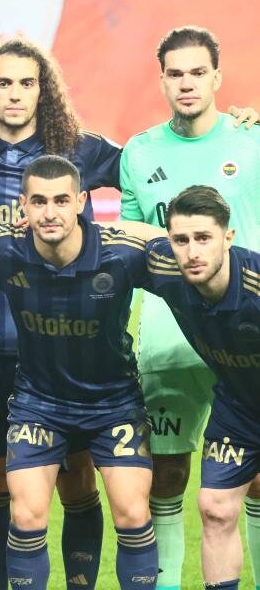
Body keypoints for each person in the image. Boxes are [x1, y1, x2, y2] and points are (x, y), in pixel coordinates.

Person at [0, 38, 121, 589]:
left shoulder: (78, 149)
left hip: (63, 347)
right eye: (3, 83)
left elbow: (150, 165)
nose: (14, 94)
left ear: (42, 89)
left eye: (26, 83)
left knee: (76, 480)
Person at [0, 155, 159, 589]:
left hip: (113, 403)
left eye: (60, 200)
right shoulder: (1, 249)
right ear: (23, 205)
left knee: (133, 512)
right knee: (26, 514)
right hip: (39, 404)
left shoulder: (120, 254)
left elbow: (182, 249)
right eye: (39, 201)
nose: (50, 212)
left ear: (81, 202)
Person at [118, 25, 260, 590]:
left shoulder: (252, 140)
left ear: (218, 77)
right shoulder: (139, 152)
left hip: (248, 332)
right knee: (168, 474)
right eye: (175, 73)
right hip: (169, 337)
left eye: (198, 72)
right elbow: (131, 241)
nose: (186, 83)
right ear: (162, 81)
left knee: (255, 482)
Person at [143, 186, 259, 590]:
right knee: (214, 507)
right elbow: (125, 235)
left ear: (228, 237)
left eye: (204, 238)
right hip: (240, 406)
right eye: (181, 240)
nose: (192, 252)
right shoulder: (165, 270)